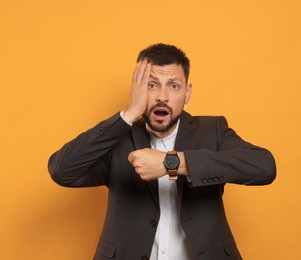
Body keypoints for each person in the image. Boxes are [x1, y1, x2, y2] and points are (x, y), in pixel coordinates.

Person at [48, 43, 276, 260]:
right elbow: (62, 170)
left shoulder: (212, 130)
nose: (162, 97)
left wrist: (172, 163)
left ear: (187, 93)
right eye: (151, 84)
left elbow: (264, 166)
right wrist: (128, 114)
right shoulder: (118, 140)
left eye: (173, 86)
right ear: (137, 89)